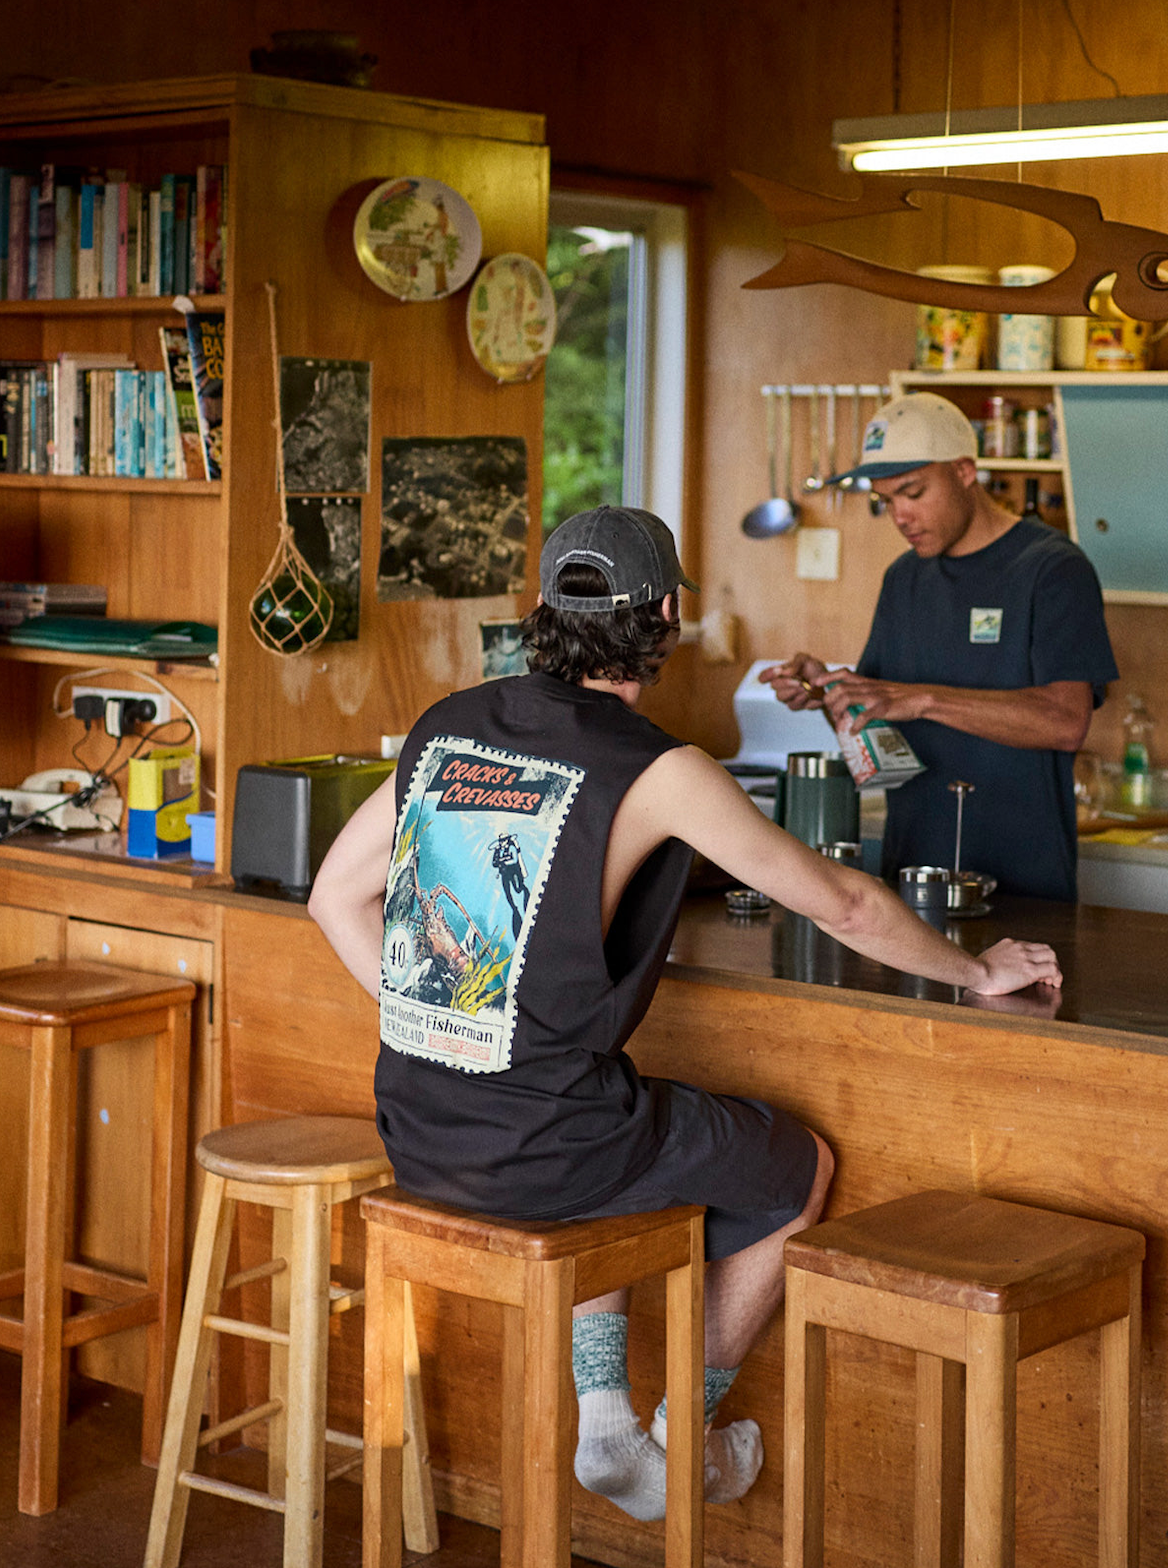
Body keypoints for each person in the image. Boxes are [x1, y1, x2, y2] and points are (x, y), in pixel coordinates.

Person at [309, 502, 1062, 1522]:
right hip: (550, 1148)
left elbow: (334, 897)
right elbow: (843, 905)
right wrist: (975, 969)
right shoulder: (661, 770)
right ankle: (682, 1439)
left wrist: (449, 1022)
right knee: (796, 1167)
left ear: (544, 610)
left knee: (616, 1124)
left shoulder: (448, 725)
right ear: (664, 615)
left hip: (419, 1129)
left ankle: (608, 1422)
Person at [760, 392, 1118, 902]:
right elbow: (879, 724)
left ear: (965, 471)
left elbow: (1065, 722)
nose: (900, 516)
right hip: (911, 880)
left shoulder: (1052, 569)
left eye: (913, 492)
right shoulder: (903, 578)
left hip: (1023, 887)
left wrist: (922, 699)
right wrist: (828, 693)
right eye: (887, 501)